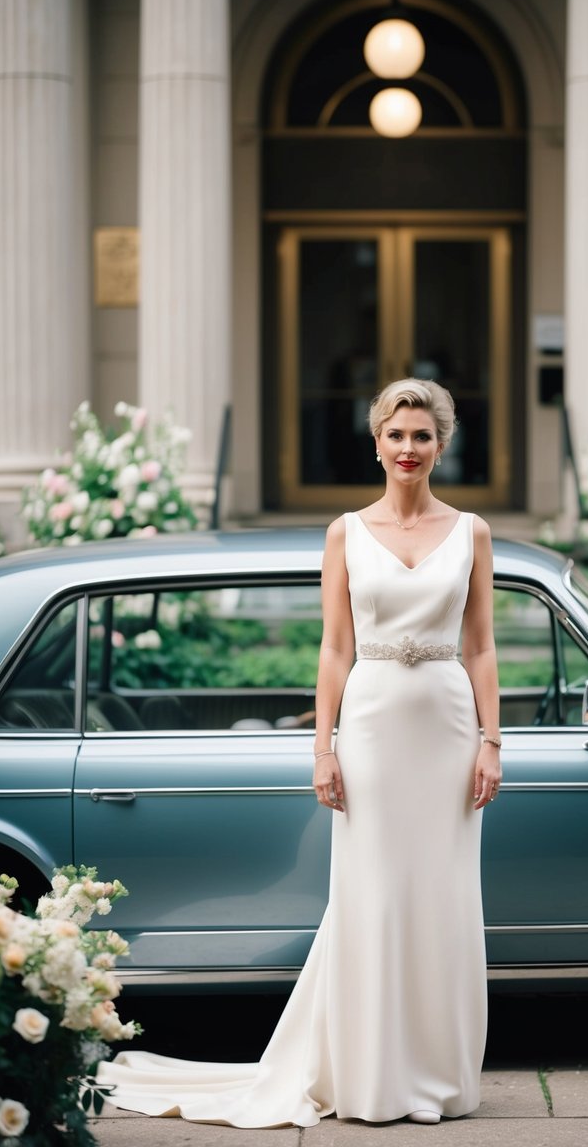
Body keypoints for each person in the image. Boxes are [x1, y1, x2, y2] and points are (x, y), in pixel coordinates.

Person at [95, 378, 502, 1127]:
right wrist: (323, 748)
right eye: (395, 434)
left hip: (446, 733)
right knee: (372, 896)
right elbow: (335, 647)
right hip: (373, 729)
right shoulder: (345, 532)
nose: (408, 448)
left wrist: (489, 743)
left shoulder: (471, 532)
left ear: (441, 445)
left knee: (442, 899)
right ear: (375, 442)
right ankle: (369, 1075)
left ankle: (437, 1075)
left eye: (421, 435)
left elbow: (479, 646)